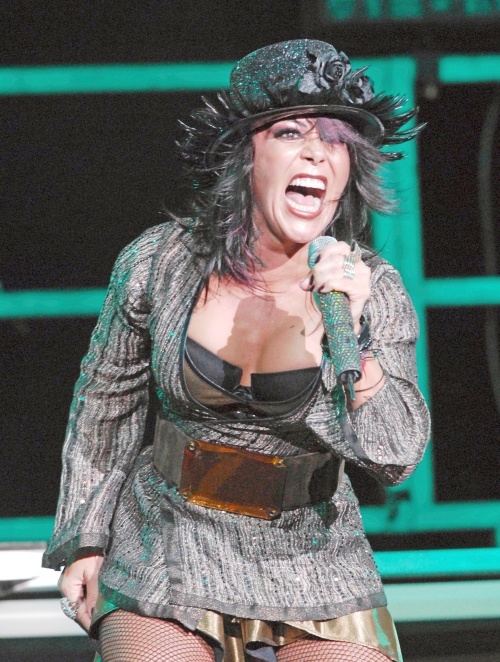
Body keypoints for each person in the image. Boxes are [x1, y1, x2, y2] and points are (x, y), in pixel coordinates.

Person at [43, 40, 431, 661]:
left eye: (336, 141)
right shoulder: (160, 262)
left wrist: (353, 340)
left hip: (312, 552)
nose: (317, 154)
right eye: (290, 133)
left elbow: (396, 458)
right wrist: (85, 540)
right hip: (167, 542)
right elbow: (105, 407)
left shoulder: (370, 289)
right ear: (244, 156)